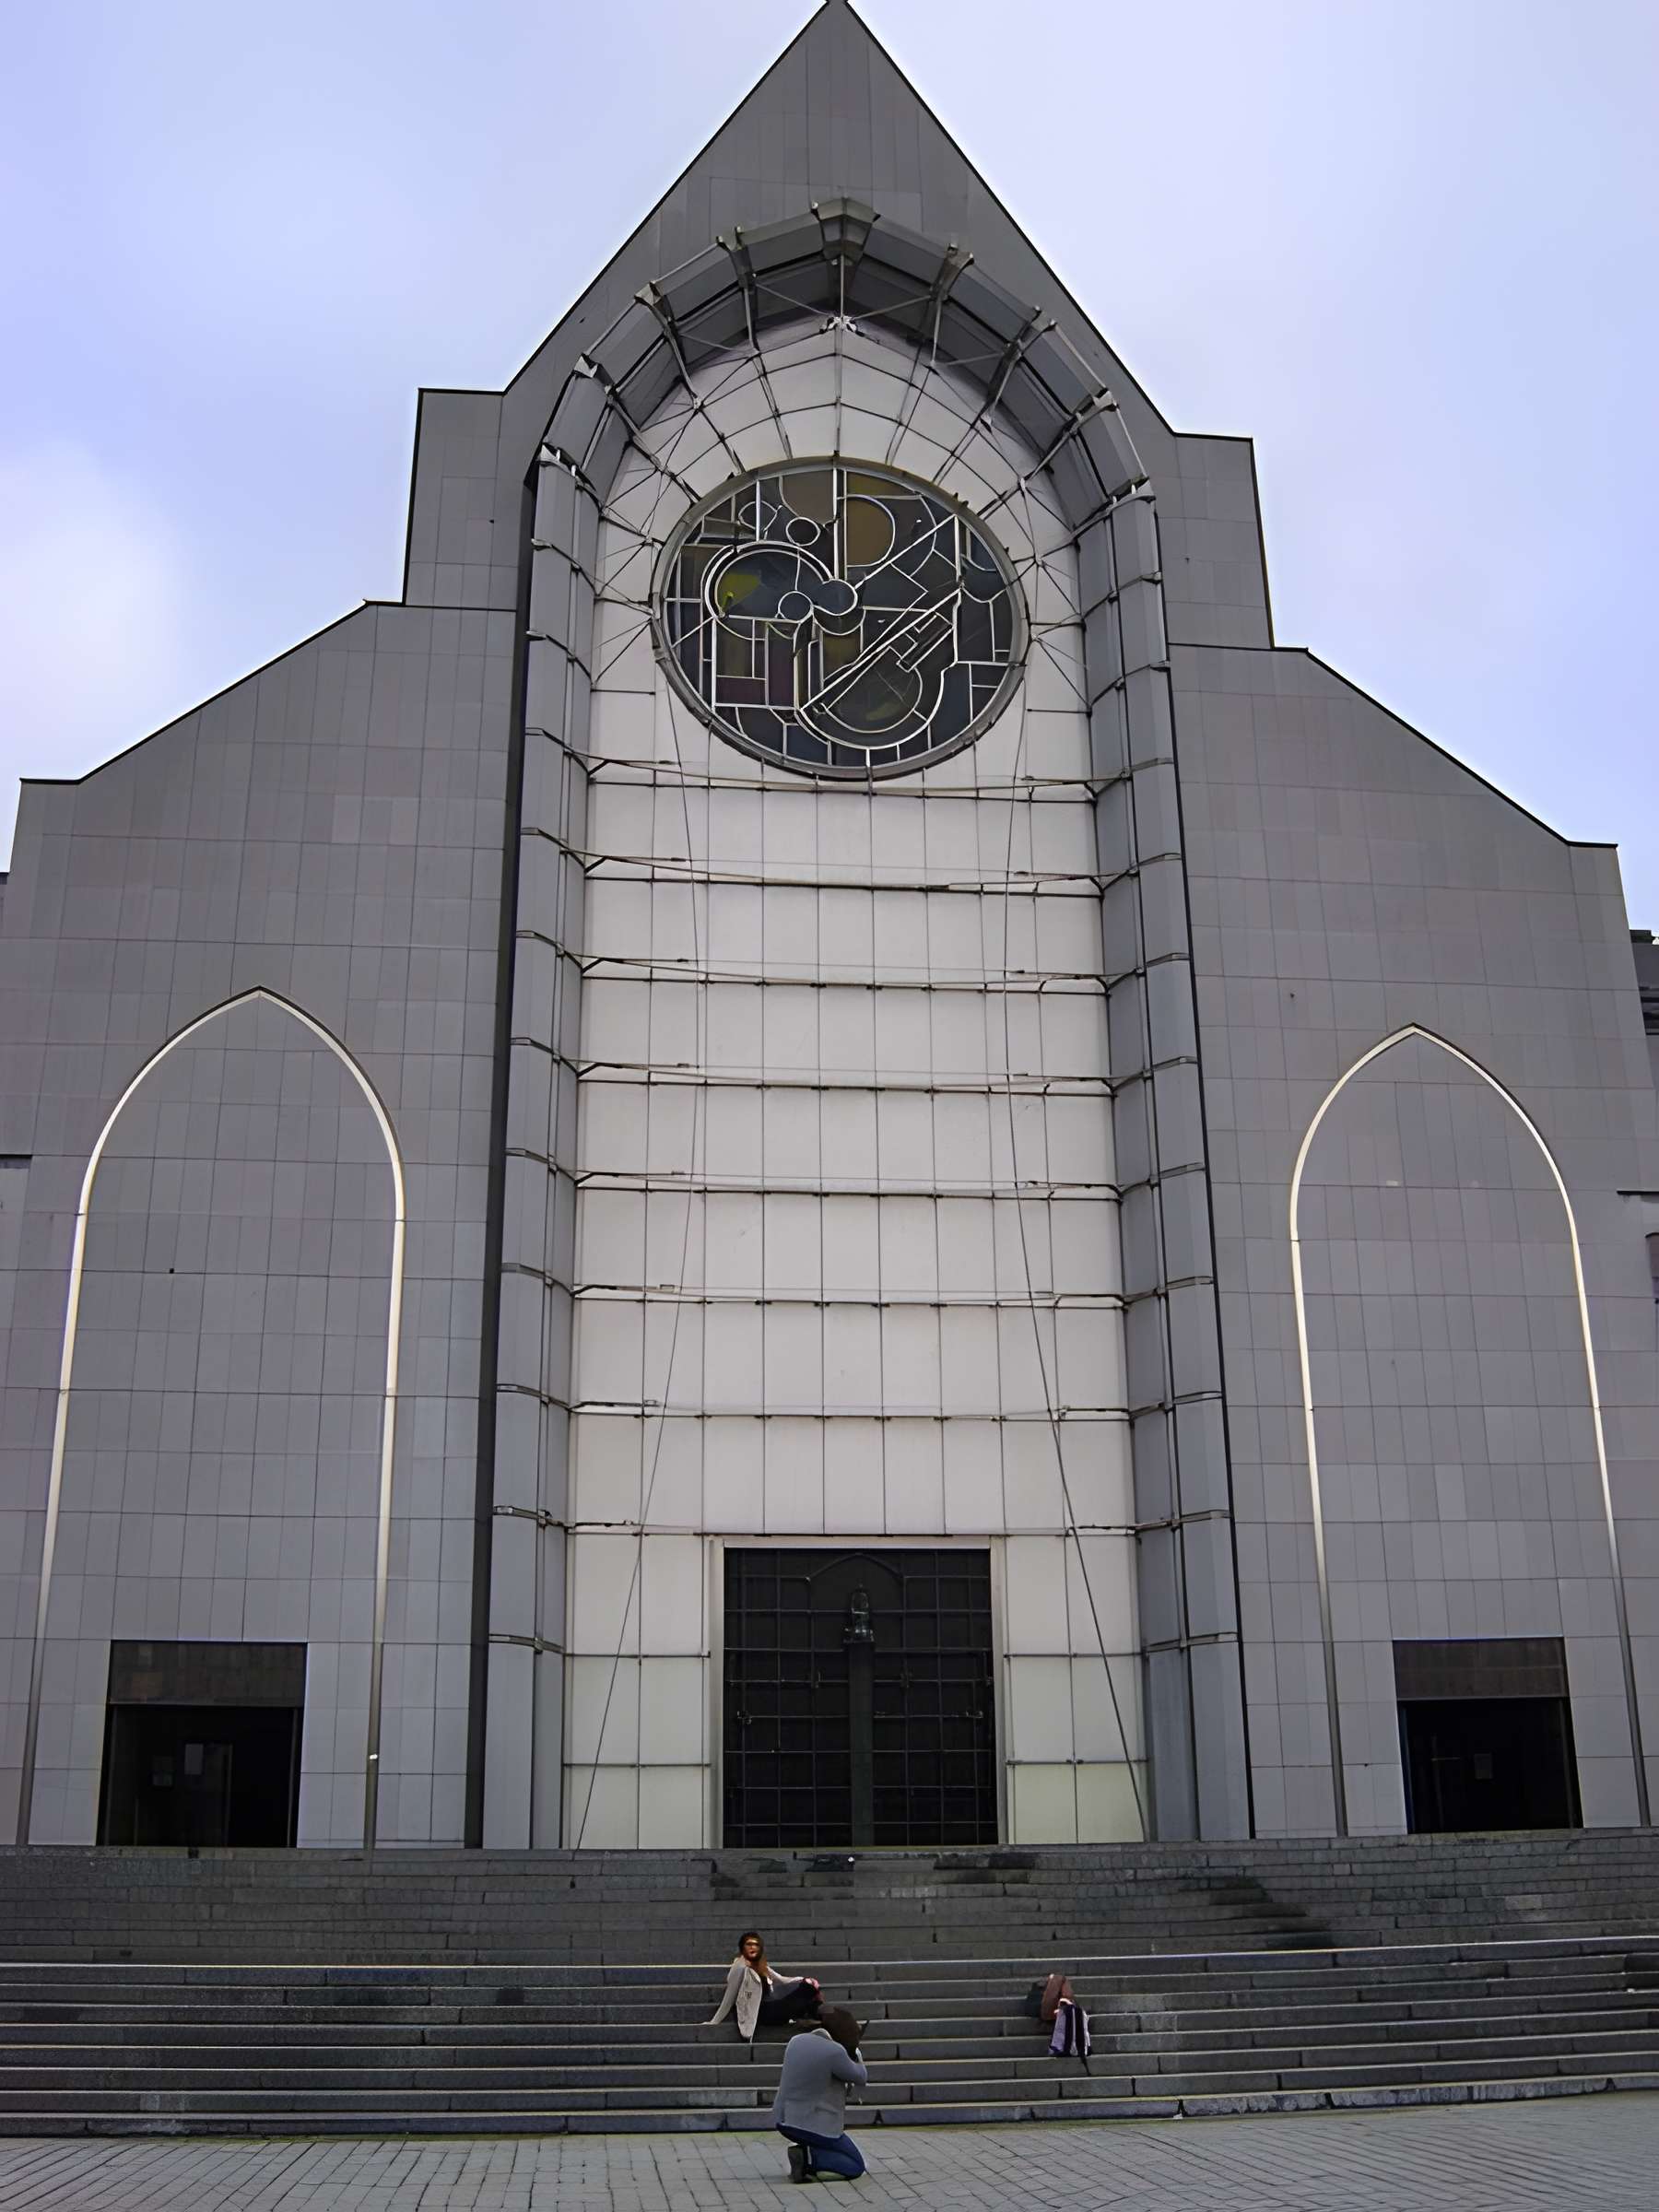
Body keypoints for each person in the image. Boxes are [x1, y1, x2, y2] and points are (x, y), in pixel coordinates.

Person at [772, 2005, 869, 2184]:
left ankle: (805, 2150)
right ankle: (809, 2160)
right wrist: (856, 2054)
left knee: (840, 2150)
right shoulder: (835, 2052)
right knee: (855, 2165)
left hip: (783, 2119)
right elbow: (860, 2076)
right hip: (815, 2127)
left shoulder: (796, 2041)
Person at [706, 1931, 822, 2042]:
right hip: (761, 2011)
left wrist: (805, 1980)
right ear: (742, 1947)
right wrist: (714, 2021)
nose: (752, 1948)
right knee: (804, 1992)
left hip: (771, 2003)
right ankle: (811, 2013)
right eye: (749, 1944)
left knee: (807, 1987)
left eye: (756, 1945)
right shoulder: (740, 1967)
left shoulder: (759, 1963)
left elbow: (780, 1979)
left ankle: (812, 2013)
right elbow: (729, 1998)